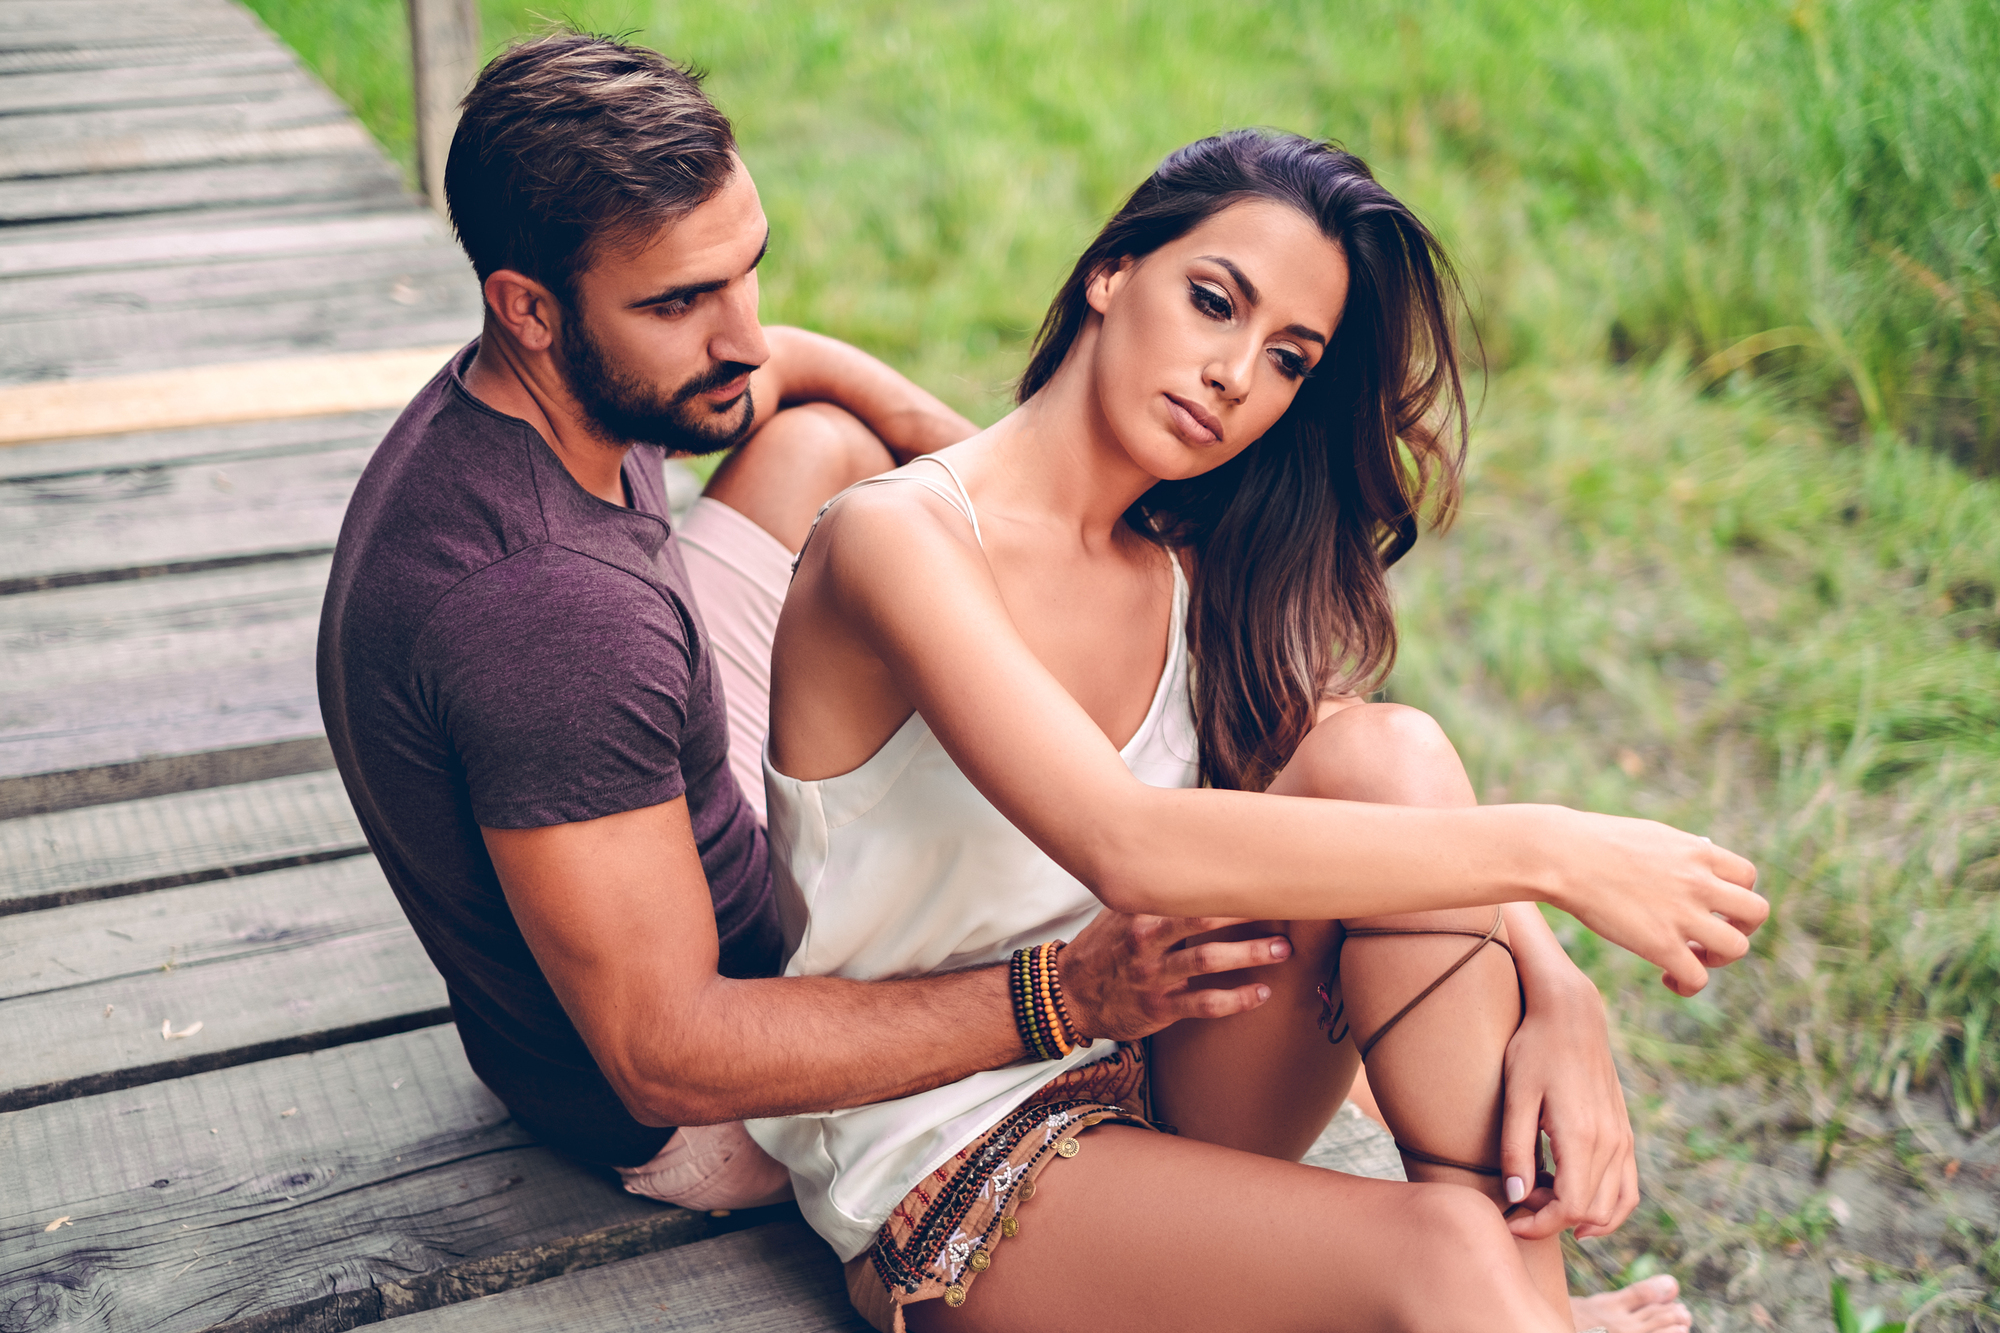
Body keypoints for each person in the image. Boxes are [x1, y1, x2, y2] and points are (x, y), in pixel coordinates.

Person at [749, 129, 1765, 1332]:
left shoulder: (1180, 565)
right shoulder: (898, 542)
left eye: (1286, 357)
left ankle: (1522, 1301)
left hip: (1150, 1057)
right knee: (1435, 1252)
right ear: (1111, 271)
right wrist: (1554, 850)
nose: (1234, 374)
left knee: (1386, 750)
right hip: (945, 1149)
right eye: (1212, 302)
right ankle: (1499, 1302)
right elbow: (1125, 840)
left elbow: (1392, 781)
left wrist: (1557, 989)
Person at [317, 33, 1292, 1216]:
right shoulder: (552, 618)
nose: (739, 336)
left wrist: (997, 491)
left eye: (746, 272)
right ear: (526, 308)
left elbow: (795, 371)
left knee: (819, 443)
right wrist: (1067, 996)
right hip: (704, 1079)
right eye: (681, 302)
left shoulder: (543, 394)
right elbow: (663, 1049)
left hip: (680, 813)